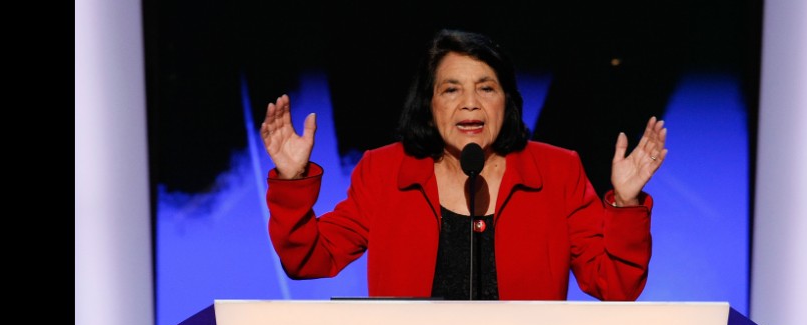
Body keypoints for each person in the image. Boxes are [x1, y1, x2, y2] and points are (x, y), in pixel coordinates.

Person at [260, 29, 667, 301]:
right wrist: (291, 179)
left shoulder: (557, 172)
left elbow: (616, 284)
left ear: (506, 101)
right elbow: (308, 259)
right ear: (429, 104)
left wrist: (627, 205)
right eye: (451, 89)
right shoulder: (384, 172)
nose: (469, 103)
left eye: (486, 88)